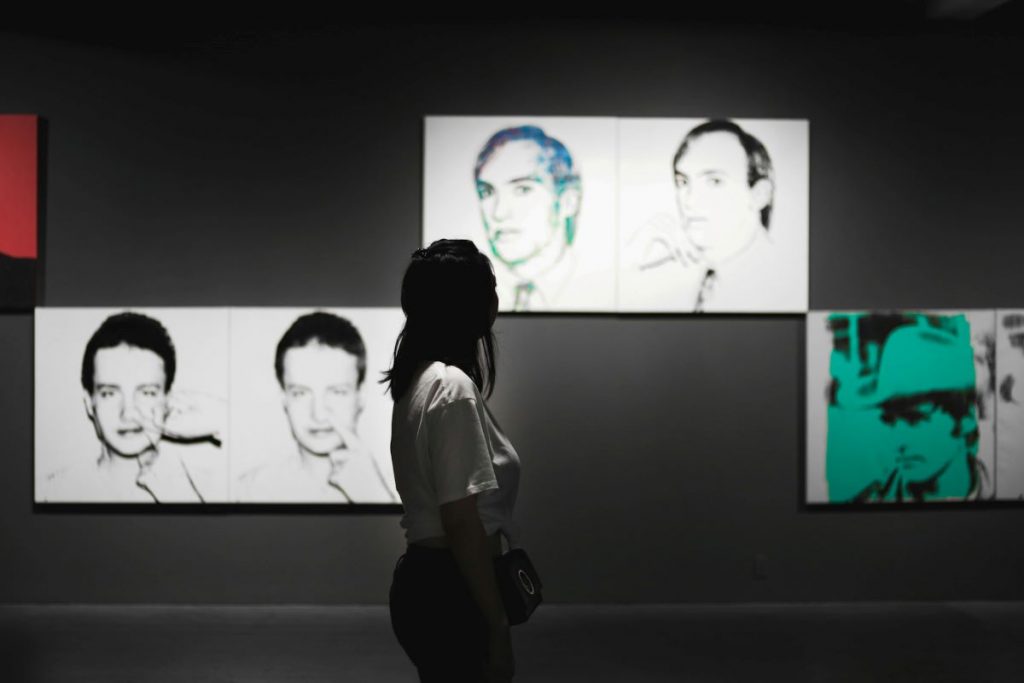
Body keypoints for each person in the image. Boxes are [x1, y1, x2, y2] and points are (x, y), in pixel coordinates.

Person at [385, 239, 521, 681]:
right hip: (453, 589)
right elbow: (461, 520)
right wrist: (498, 624)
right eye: (490, 289)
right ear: (472, 305)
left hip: (427, 583)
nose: (497, 300)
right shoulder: (451, 387)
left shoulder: (418, 382)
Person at [42, 311, 223, 503]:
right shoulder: (52, 492)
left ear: (168, 400)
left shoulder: (209, 489)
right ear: (89, 403)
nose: (128, 414)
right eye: (109, 393)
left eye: (147, 393)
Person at [825, 313, 990, 502]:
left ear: (965, 419)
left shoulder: (1008, 495)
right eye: (889, 421)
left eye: (914, 419)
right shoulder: (866, 506)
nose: (898, 440)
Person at [237, 311, 397, 503]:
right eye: (300, 393)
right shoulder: (251, 491)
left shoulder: (406, 488)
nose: (318, 414)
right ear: (284, 398)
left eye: (337, 392)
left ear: (361, 396)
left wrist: (376, 496)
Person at [622, 119, 778, 312]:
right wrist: (630, 261)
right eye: (683, 182)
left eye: (714, 181)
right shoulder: (665, 276)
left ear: (759, 195)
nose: (689, 201)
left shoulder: (786, 282)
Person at [474, 125, 582, 312]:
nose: (498, 212)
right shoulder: (472, 298)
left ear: (567, 202)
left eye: (522, 190)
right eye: (487, 191)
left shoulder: (596, 287)